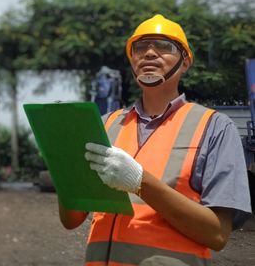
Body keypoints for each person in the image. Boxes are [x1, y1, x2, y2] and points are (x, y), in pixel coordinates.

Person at [58, 14, 252, 266]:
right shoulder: (105, 124)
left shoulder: (214, 127)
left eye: (164, 46)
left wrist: (140, 182)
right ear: (132, 60)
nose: (149, 53)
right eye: (140, 47)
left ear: (185, 62)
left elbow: (217, 234)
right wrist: (63, 164)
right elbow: (71, 220)